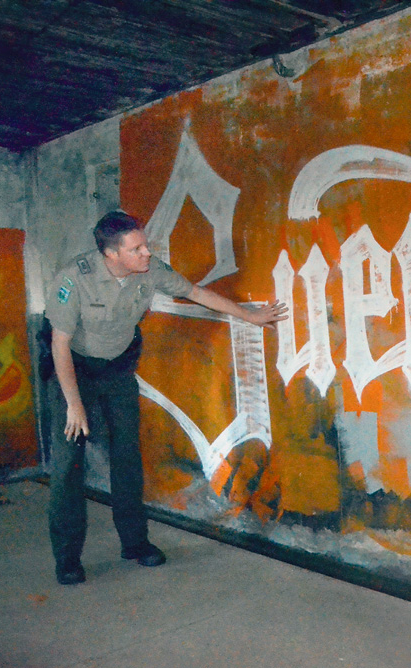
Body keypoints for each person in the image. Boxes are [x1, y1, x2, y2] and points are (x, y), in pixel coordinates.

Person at [43, 210, 287, 585]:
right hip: (72, 373)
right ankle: (68, 558)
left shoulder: (150, 270)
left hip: (118, 371)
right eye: (137, 248)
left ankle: (135, 543)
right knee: (66, 468)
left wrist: (247, 316)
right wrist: (74, 404)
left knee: (128, 460)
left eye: (145, 245)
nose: (147, 252)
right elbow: (59, 345)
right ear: (111, 254)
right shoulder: (74, 279)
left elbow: (195, 292)